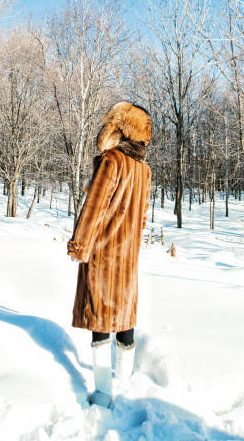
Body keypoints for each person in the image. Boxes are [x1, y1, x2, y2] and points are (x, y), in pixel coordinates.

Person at [67, 101, 152, 408]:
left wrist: (80, 244)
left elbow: (94, 206)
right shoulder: (144, 169)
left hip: (104, 253)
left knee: (101, 320)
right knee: (125, 315)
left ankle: (103, 392)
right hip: (128, 257)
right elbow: (141, 217)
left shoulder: (112, 161)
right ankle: (125, 379)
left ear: (120, 130)